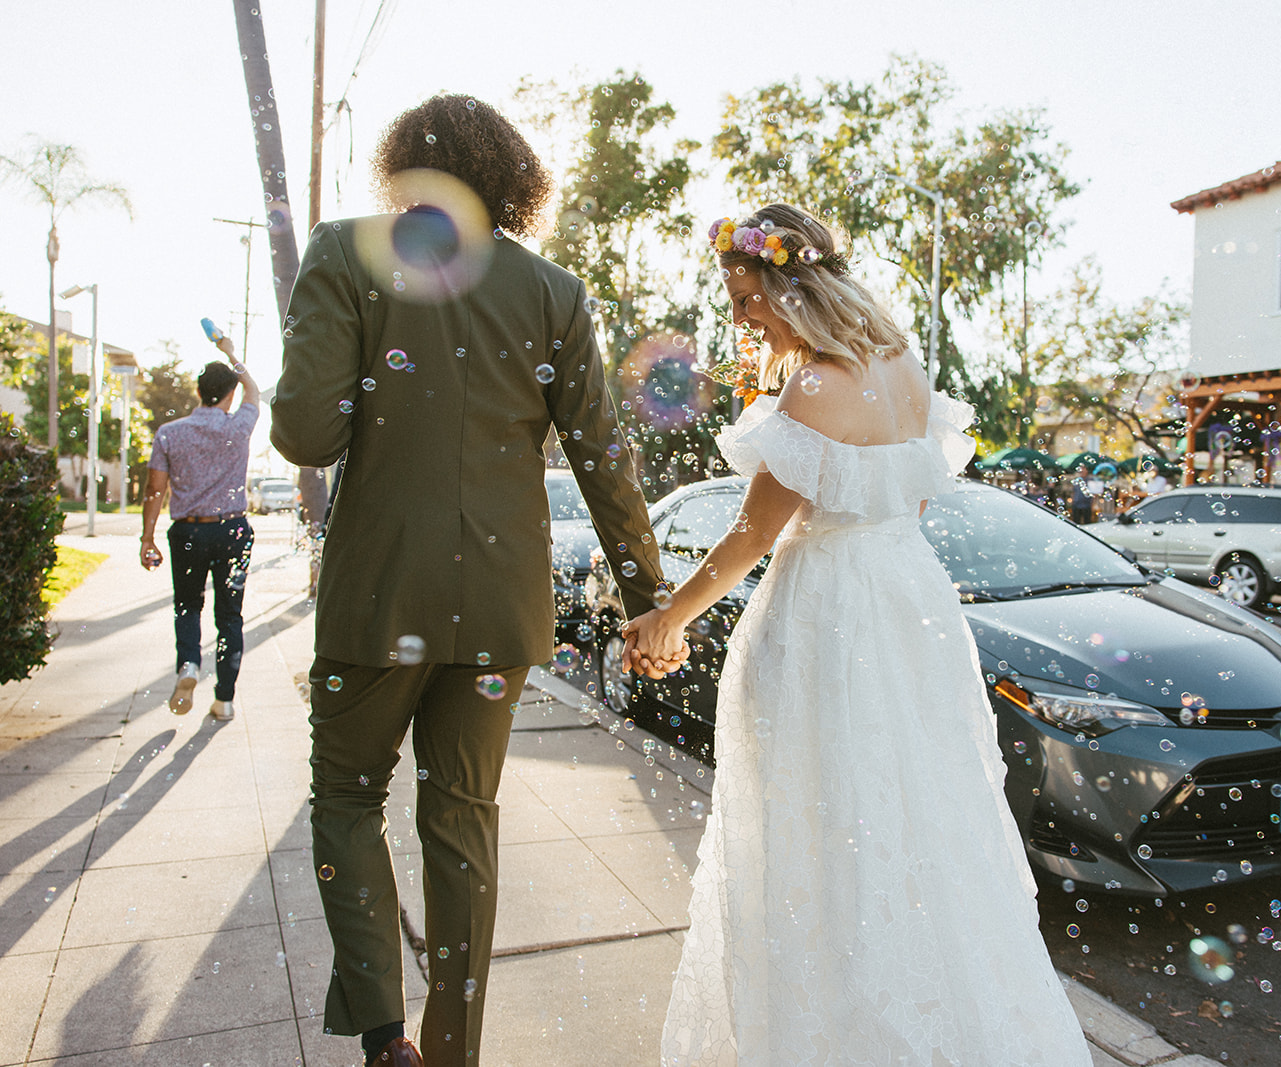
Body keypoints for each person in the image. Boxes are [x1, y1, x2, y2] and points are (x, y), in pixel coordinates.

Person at [626, 205, 1092, 1066]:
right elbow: (906, 503)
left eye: (746, 293)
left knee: (818, 821)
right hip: (910, 607)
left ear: (790, 284)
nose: (739, 314)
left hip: (826, 617)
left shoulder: (810, 387)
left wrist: (668, 616)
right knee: (913, 815)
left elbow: (750, 537)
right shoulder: (907, 370)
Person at [270, 94, 676, 1067]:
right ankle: (455, 1050)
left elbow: (304, 433)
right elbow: (605, 458)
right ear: (513, 179)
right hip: (497, 605)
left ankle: (384, 1035)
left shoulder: (344, 251)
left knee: (346, 799)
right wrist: (647, 595)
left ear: (402, 167)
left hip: (374, 597)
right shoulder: (554, 291)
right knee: (463, 822)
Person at [139, 335, 259, 722]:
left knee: (188, 606)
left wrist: (147, 539)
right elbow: (254, 388)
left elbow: (155, 490)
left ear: (197, 391)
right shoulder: (241, 424)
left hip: (188, 533)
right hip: (233, 533)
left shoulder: (170, 433)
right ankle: (224, 699)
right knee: (230, 617)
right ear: (229, 392)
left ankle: (189, 664)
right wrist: (230, 353)